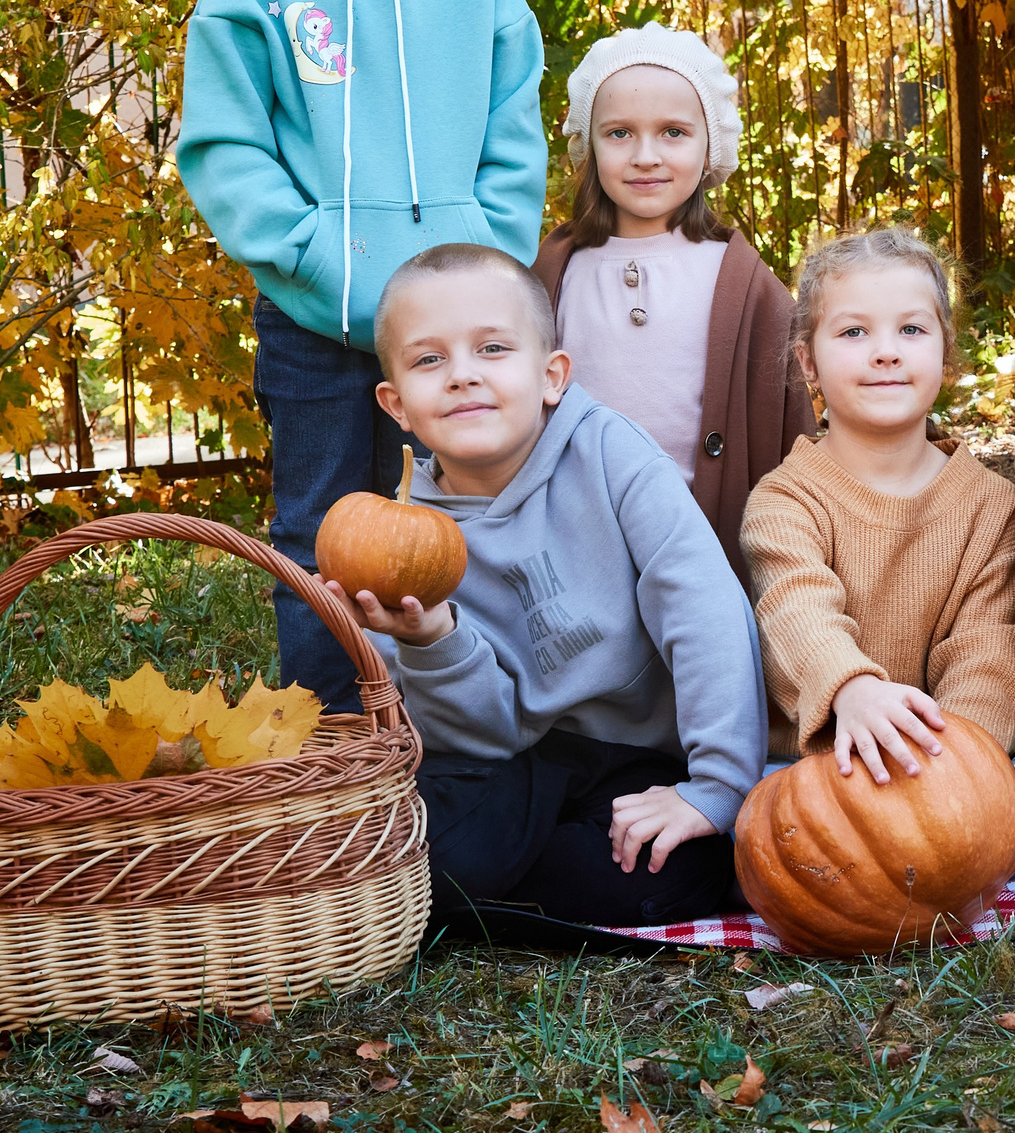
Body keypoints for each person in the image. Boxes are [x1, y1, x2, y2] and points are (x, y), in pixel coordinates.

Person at [179, 0, 548, 713]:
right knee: (321, 535)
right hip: (315, 317)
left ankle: (473, 737)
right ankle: (337, 751)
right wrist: (318, 260)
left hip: (457, 328)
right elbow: (224, 146)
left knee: (478, 526)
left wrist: (483, 274)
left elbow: (512, 133)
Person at [324, 243, 765, 928]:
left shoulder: (612, 456)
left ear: (552, 374)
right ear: (396, 403)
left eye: (493, 349)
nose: (462, 376)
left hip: (636, 757)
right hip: (509, 769)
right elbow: (478, 742)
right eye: (428, 359)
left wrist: (715, 788)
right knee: (413, 840)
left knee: (652, 871)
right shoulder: (399, 539)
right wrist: (433, 640)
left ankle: (475, 896)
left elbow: (703, 610)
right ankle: (469, 887)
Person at [740, 229, 1015, 862]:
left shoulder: (988, 504)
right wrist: (851, 690)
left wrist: (950, 766)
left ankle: (935, 853)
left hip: (944, 768)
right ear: (809, 363)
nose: (885, 352)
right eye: (853, 333)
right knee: (763, 821)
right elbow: (795, 610)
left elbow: (989, 652)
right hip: (819, 767)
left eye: (911, 331)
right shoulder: (785, 499)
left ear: (946, 352)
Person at [532, 26, 813, 582]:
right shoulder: (554, 272)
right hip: (578, 539)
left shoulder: (742, 281)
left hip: (704, 539)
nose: (645, 156)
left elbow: (787, 424)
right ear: (588, 144)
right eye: (619, 133)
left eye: (673, 132)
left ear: (711, 146)